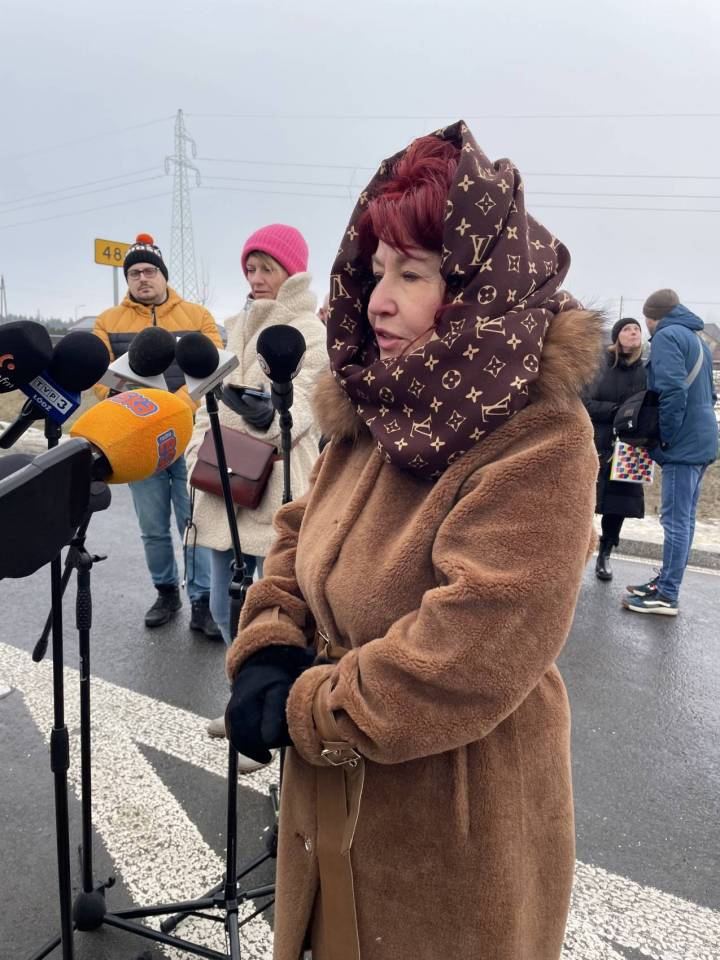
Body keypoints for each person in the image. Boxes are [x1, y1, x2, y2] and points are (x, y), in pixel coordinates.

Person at [223, 123, 602, 960]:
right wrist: (270, 643)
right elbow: (299, 530)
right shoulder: (380, 399)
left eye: (413, 274)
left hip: (452, 811)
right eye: (376, 271)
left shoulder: (540, 434)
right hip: (332, 779)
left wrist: (303, 709)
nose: (378, 301)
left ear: (475, 286)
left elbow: (472, 647)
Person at [184, 224, 326, 737]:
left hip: (280, 490)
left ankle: (276, 715)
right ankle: (241, 703)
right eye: (250, 267)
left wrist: (244, 414)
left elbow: (299, 413)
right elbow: (206, 405)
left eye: (267, 267)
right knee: (223, 608)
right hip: (223, 484)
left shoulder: (309, 333)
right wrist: (198, 447)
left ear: (293, 271)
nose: (256, 277)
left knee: (279, 613)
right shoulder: (234, 328)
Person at [93, 234, 222, 637]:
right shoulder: (107, 322)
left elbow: (213, 368)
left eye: (150, 271)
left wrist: (173, 408)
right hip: (139, 442)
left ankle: (202, 600)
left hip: (190, 437)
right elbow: (99, 378)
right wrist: (136, 408)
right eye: (134, 273)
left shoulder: (198, 316)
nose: (142, 278)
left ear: (164, 275)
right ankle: (166, 592)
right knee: (152, 525)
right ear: (127, 279)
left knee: (194, 522)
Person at [624, 289, 718, 615]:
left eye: (646, 320)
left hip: (683, 444)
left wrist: (664, 437)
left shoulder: (666, 337)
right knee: (685, 519)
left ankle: (666, 595)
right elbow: (711, 395)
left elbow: (673, 390)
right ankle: (665, 582)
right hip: (703, 438)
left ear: (653, 317)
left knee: (675, 521)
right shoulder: (698, 340)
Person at [584, 317, 647, 580]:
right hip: (596, 441)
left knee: (618, 503)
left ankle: (605, 553)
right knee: (586, 499)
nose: (633, 332)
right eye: (627, 329)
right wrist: (616, 411)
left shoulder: (645, 370)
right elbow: (584, 402)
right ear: (617, 336)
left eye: (637, 329)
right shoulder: (599, 365)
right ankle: (578, 551)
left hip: (629, 444)